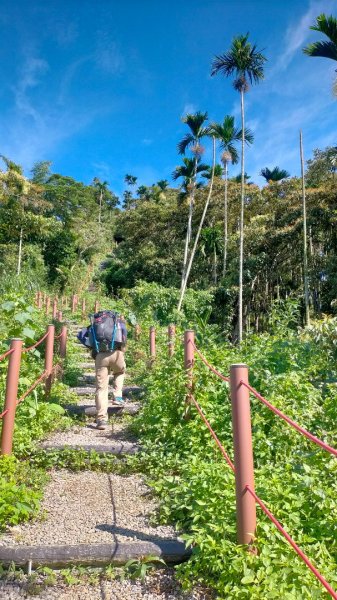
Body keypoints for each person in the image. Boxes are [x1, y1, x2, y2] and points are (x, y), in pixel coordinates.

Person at [93, 314, 127, 430]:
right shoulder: (119, 323)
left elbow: (87, 340)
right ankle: (117, 396)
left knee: (101, 388)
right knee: (120, 372)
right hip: (117, 354)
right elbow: (124, 341)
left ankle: (102, 419)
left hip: (101, 356)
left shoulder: (96, 323)